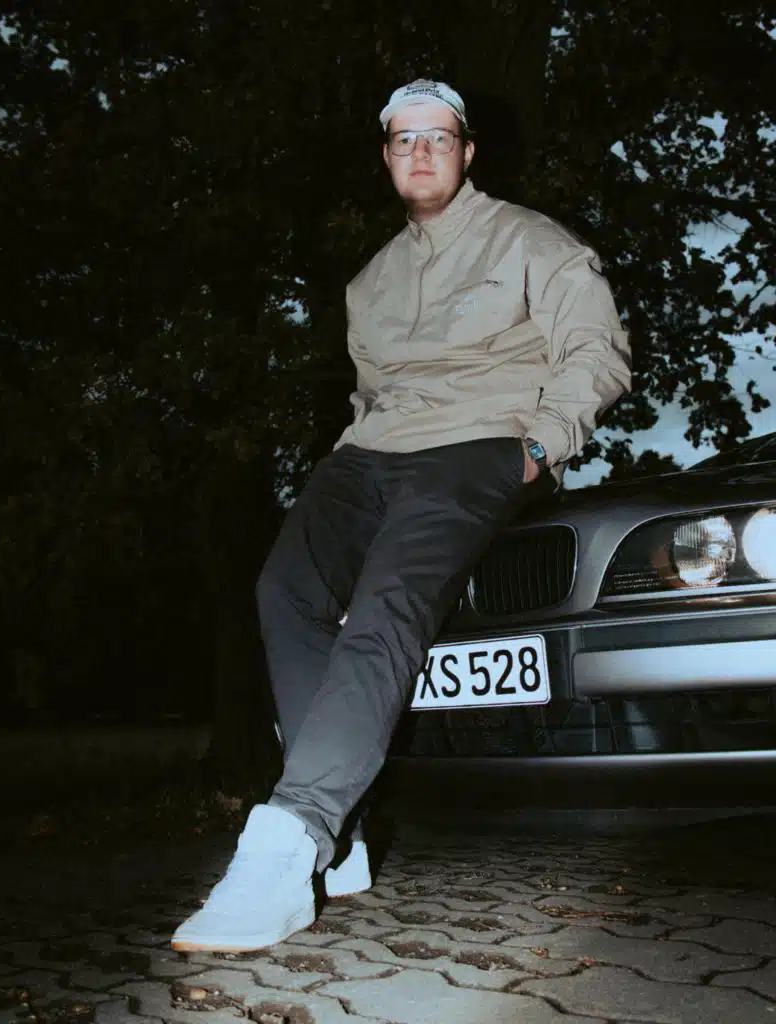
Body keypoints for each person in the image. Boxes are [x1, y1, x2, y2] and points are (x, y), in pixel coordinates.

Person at [171, 78, 631, 952]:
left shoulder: (532, 241)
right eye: (404, 140)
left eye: (439, 138)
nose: (422, 152)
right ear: (386, 157)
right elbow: (370, 396)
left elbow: (596, 351)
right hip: (371, 453)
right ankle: (342, 831)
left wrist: (540, 445)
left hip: (479, 445)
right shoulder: (370, 281)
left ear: (467, 152)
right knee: (285, 591)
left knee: (388, 604)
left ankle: (292, 836)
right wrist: (349, 469)